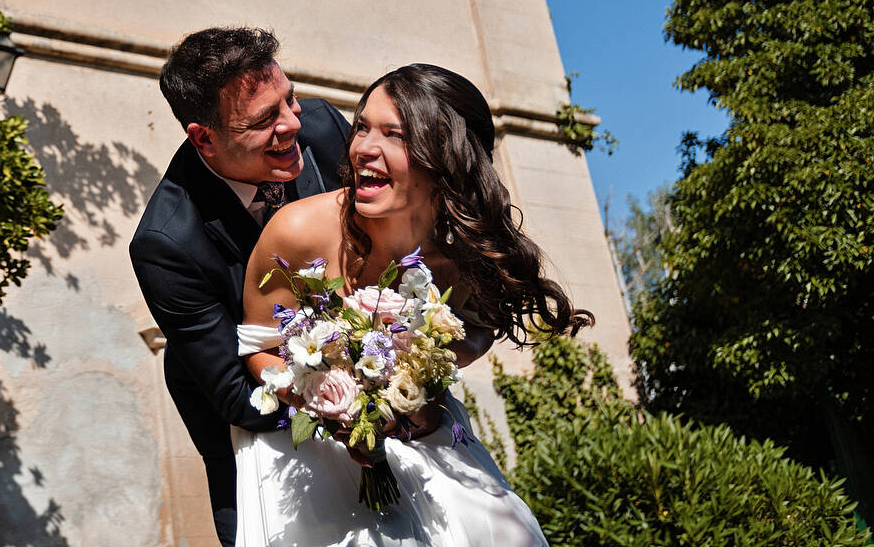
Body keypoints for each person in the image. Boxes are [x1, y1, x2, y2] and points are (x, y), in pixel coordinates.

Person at [237, 64, 594, 547]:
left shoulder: (469, 247)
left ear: (444, 157)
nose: (363, 146)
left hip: (421, 429)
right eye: (362, 126)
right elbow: (260, 351)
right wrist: (339, 408)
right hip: (307, 449)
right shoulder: (299, 232)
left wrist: (417, 378)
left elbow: (478, 329)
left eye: (394, 134)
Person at [129, 27, 351, 547]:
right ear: (203, 137)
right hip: (253, 436)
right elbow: (233, 392)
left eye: (289, 99)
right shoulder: (166, 243)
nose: (291, 124)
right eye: (263, 121)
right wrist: (353, 406)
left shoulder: (321, 127)